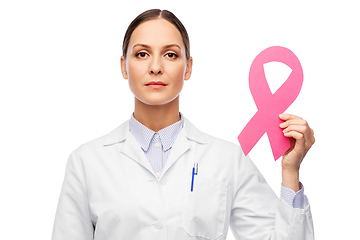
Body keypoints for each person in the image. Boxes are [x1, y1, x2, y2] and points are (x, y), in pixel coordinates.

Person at [52, 9, 315, 240]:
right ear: (124, 67)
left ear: (188, 68)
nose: (156, 67)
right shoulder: (86, 162)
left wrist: (291, 172)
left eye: (170, 54)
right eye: (142, 54)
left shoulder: (227, 160)